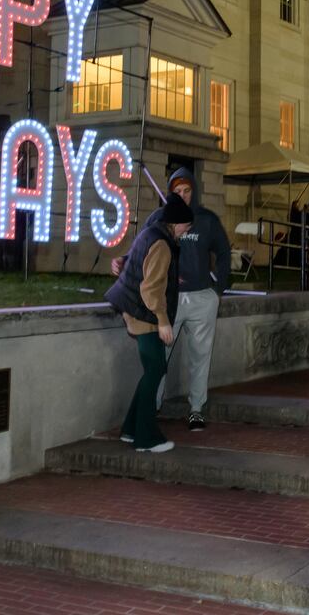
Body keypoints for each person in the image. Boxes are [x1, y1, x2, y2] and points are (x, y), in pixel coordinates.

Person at [113, 169, 231, 431]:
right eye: (177, 192)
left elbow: (224, 251)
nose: (183, 196)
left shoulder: (207, 220)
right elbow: (141, 247)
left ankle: (196, 409)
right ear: (170, 193)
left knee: (201, 355)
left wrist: (218, 290)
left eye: (187, 191)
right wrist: (123, 260)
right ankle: (153, 405)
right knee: (160, 355)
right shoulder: (159, 218)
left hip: (202, 297)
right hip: (170, 300)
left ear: (194, 191)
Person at [106, 193, 193, 453]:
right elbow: (150, 289)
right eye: (186, 228)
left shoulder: (151, 233)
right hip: (143, 313)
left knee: (152, 371)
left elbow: (143, 270)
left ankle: (131, 430)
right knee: (156, 370)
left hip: (135, 309)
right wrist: (164, 322)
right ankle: (146, 438)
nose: (187, 232)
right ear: (176, 224)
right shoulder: (163, 245)